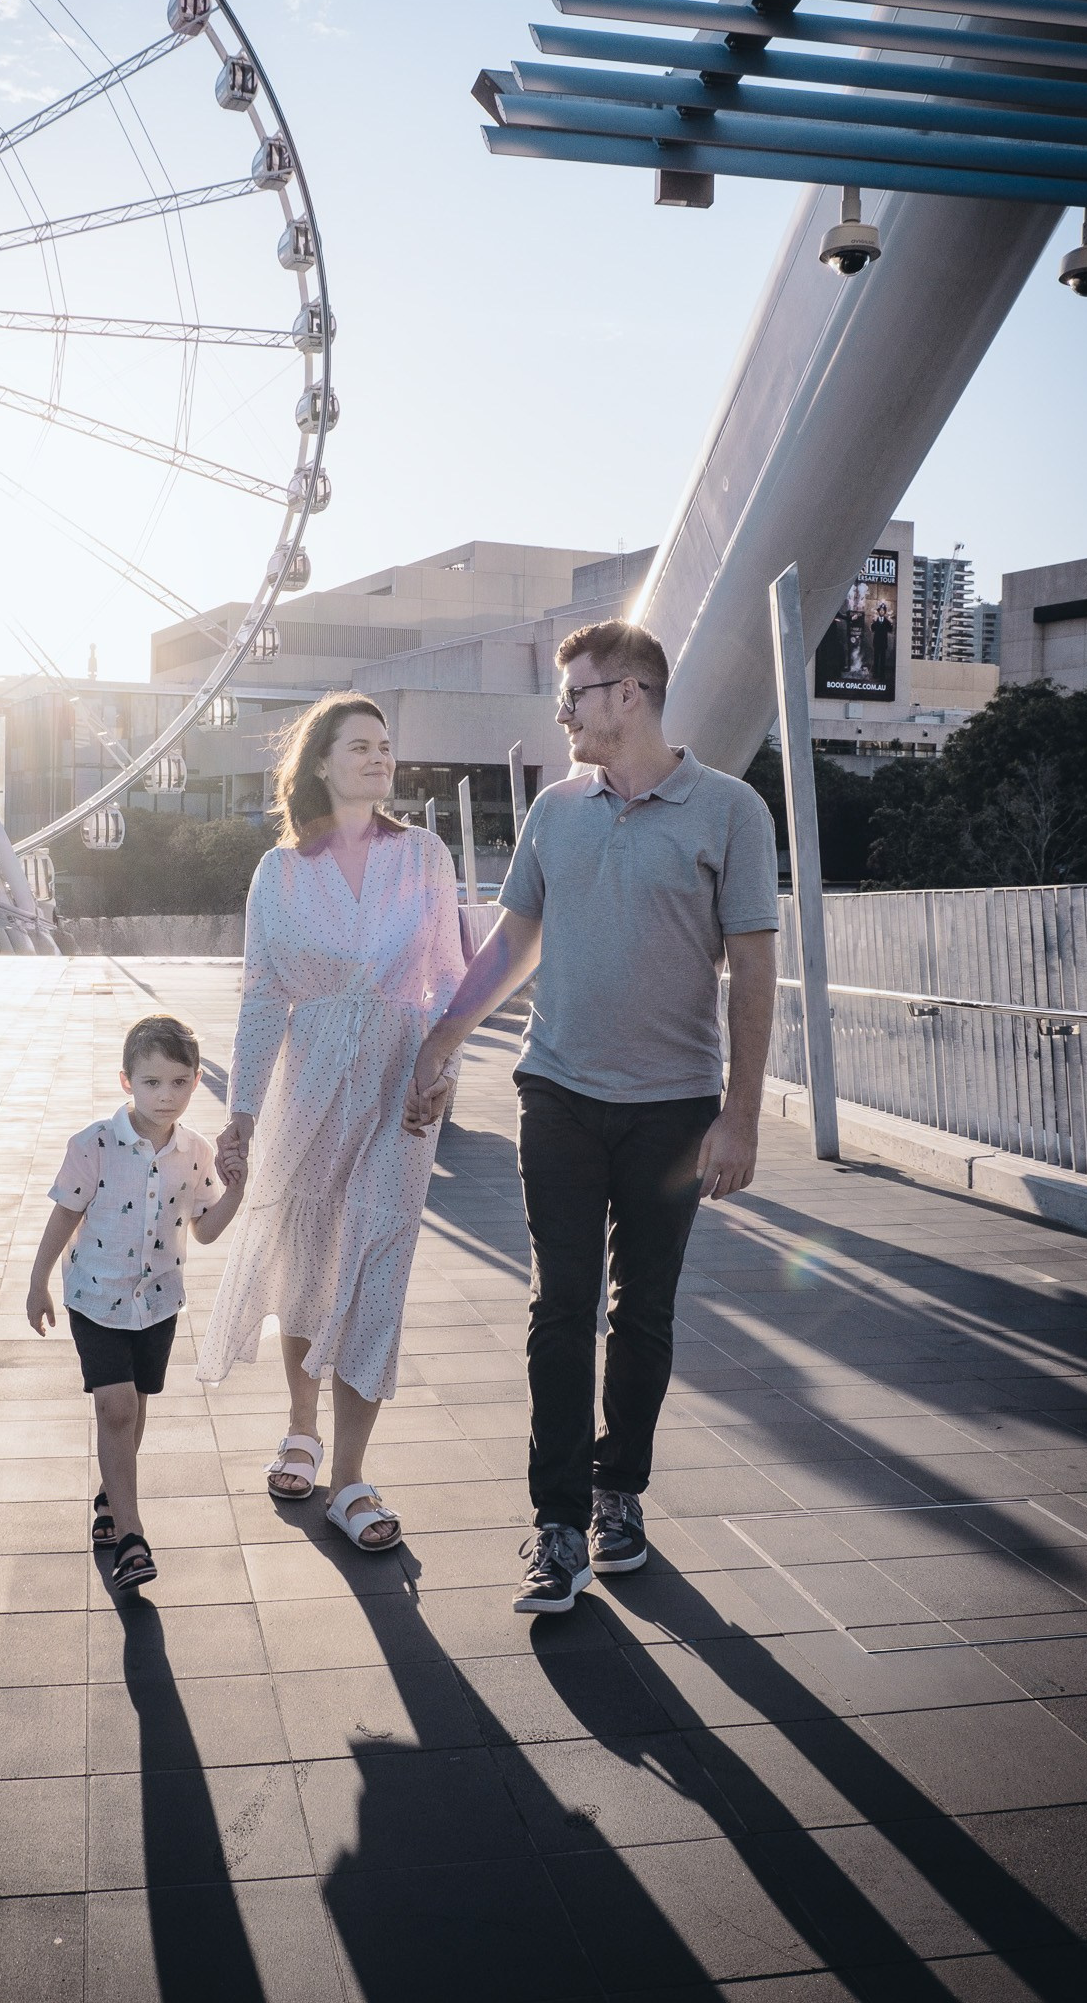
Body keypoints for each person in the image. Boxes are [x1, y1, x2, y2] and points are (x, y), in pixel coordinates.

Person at [405, 619, 778, 1613]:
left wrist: (738, 1116)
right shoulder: (555, 814)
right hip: (558, 1093)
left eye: (577, 692)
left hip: (672, 1108)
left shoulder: (730, 811)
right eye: (562, 693)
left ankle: (620, 1494)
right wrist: (443, 1037)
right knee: (558, 1306)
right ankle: (558, 1522)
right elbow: (512, 943)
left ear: (633, 694)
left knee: (640, 1311)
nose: (562, 710)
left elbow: (751, 972)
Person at [197, 693, 465, 1551]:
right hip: (306, 1087)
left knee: (377, 1261)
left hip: (399, 1086)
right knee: (307, 1255)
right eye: (360, 746)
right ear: (319, 762)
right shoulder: (279, 873)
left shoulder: (422, 854)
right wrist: (239, 1115)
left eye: (386, 746)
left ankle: (351, 1475)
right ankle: (300, 1425)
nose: (379, 758)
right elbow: (261, 995)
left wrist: (441, 1071)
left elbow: (448, 978)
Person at [27, 1013, 245, 1592]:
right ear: (127, 1082)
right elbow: (65, 1214)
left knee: (137, 1406)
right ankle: (130, 1537)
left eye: (178, 1082)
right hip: (95, 1299)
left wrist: (239, 1188)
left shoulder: (196, 1151)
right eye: (152, 1083)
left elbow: (205, 1230)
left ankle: (109, 1500)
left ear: (196, 1080)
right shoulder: (94, 1143)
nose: (165, 1095)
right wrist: (37, 1280)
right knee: (116, 1408)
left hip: (158, 1303)